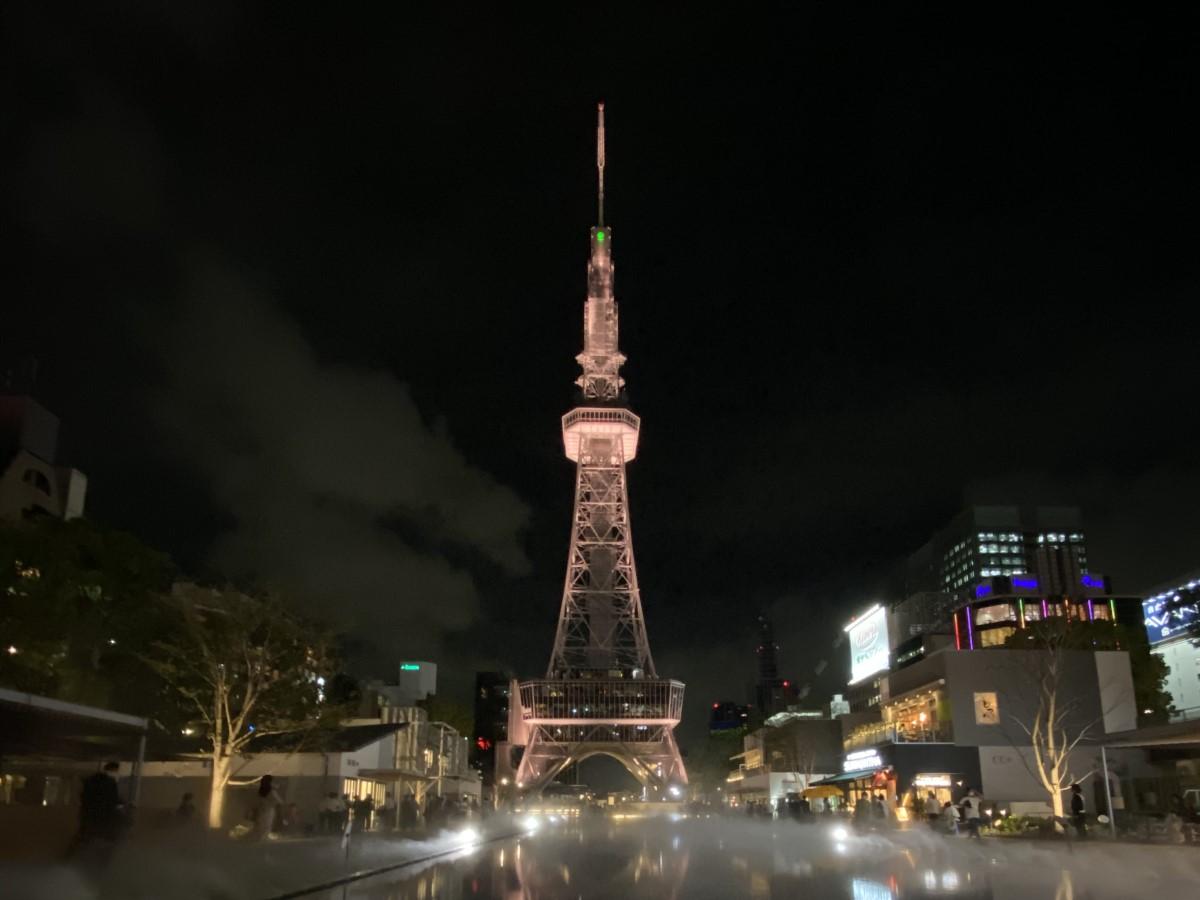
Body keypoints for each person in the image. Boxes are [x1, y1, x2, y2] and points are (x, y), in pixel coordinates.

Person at [73, 761, 124, 858]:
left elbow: (83, 797)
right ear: (113, 770)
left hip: (88, 815)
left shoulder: (91, 780)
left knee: (83, 837)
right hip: (103, 817)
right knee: (111, 838)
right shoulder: (110, 782)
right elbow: (113, 799)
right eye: (116, 771)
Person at [252, 775, 282, 840]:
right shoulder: (271, 791)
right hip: (268, 810)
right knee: (266, 825)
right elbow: (279, 801)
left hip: (262, 810)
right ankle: (263, 839)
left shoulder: (261, 791)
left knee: (261, 825)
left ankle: (259, 838)